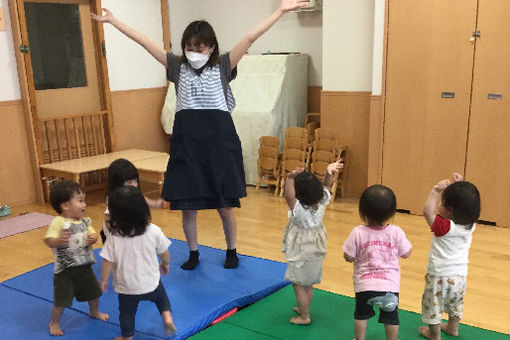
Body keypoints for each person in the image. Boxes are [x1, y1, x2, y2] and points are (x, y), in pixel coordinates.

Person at [91, 0, 311, 270]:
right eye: (189, 47)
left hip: (219, 144)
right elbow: (146, 42)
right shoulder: (176, 67)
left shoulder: (222, 66)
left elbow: (251, 37)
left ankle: (232, 250)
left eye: (200, 47)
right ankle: (193, 253)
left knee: (225, 207)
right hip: (188, 145)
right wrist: (115, 22)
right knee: (188, 207)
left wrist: (280, 11)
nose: (194, 52)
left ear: (211, 47)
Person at [100, 185, 176, 340]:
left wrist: (103, 279)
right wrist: (166, 263)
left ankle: (127, 337)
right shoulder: (153, 230)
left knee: (127, 313)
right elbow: (164, 252)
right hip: (151, 283)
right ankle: (167, 318)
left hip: (127, 288)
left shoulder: (113, 238)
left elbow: (107, 260)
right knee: (162, 298)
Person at [342, 185, 412, 340]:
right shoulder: (396, 232)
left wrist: (352, 257)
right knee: (391, 317)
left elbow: (348, 256)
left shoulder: (357, 233)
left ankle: (359, 338)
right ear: (392, 212)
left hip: (365, 287)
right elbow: (406, 253)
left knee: (361, 315)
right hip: (389, 287)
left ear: (362, 211)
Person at [418, 173, 480, 340]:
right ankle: (453, 327)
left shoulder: (444, 227)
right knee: (455, 303)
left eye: (443, 204)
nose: (440, 205)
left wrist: (435, 191)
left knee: (434, 305)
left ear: (451, 210)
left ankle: (434, 333)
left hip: (439, 275)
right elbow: (464, 204)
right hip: (460, 276)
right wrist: (459, 185)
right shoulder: (470, 225)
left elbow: (427, 212)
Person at [44, 180, 109, 336]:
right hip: (65, 271)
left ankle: (94, 311)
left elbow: (93, 234)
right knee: (62, 300)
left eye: (83, 200)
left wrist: (93, 238)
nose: (84, 204)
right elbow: (48, 240)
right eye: (80, 200)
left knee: (93, 292)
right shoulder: (59, 222)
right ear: (66, 205)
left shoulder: (85, 222)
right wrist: (57, 240)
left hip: (84, 267)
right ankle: (55, 322)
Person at [282, 160, 343, 325]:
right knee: (308, 282)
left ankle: (304, 316)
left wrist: (289, 178)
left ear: (298, 193)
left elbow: (289, 196)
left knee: (298, 284)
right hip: (316, 246)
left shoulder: (299, 210)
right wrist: (328, 173)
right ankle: (304, 308)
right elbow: (326, 186)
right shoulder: (321, 201)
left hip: (301, 249)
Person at [101, 158, 165, 244]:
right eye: (129, 182)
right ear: (117, 184)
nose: (134, 185)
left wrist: (156, 204)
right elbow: (108, 218)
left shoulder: (134, 194)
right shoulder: (114, 200)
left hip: (130, 231)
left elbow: (144, 200)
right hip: (115, 235)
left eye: (135, 180)